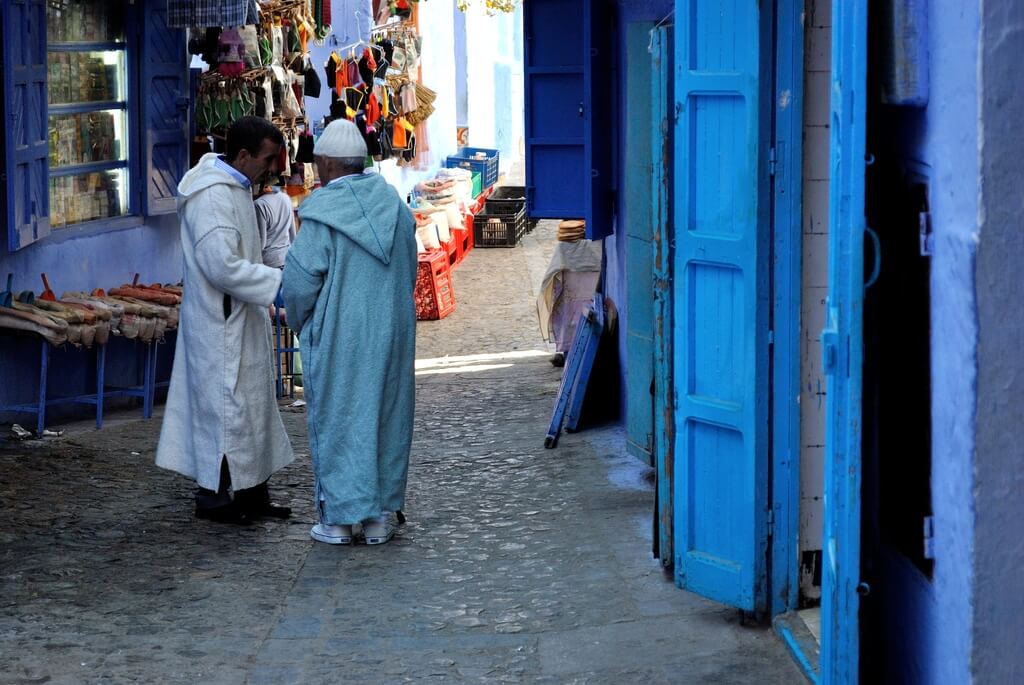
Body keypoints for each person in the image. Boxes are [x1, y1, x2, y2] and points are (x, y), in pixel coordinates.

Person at [282, 119, 417, 545]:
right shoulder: (395, 207)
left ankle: (338, 521)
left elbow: (300, 284)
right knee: (385, 416)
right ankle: (376, 518)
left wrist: (300, 322)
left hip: (341, 336)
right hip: (391, 331)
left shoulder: (321, 216)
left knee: (340, 419)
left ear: (326, 164)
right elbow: (409, 267)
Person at [156, 116, 295, 525]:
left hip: (240, 315)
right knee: (224, 408)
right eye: (268, 159)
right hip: (221, 321)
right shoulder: (212, 197)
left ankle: (253, 491)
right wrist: (277, 284)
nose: (271, 168)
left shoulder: (235, 187)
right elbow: (221, 266)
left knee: (250, 407)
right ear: (243, 155)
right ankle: (213, 497)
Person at [254, 183, 296, 269]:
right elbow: (293, 234)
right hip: (287, 258)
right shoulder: (286, 198)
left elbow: (262, 241)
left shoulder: (259, 204)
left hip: (269, 262)